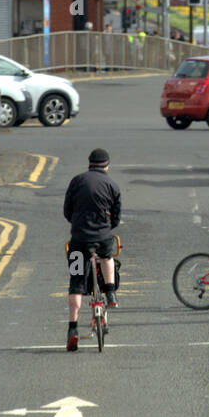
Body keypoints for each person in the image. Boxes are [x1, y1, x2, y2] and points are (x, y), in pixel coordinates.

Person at [64, 148, 122, 351]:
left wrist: (79, 225)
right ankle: (110, 292)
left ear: (89, 164)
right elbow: (115, 217)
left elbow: (67, 211)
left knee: (76, 283)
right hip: (103, 237)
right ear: (107, 165)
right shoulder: (112, 185)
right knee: (107, 257)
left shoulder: (76, 181)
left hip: (79, 240)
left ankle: (72, 328)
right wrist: (104, 228)